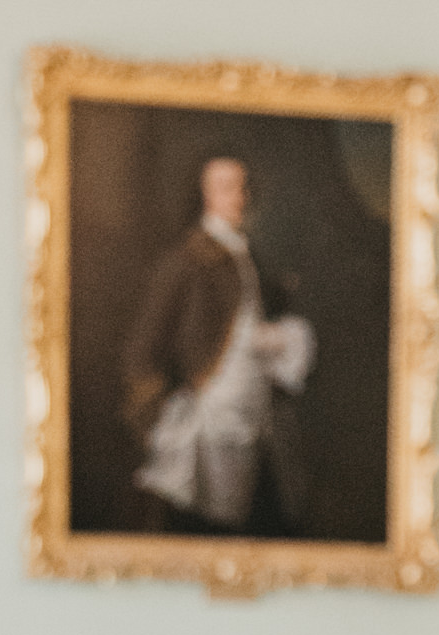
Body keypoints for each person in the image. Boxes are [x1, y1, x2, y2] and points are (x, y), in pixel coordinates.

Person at [125, 150, 314, 529]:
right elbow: (144, 351)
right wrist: (152, 420)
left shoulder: (250, 258)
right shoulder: (185, 262)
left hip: (255, 413)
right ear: (205, 196)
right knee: (204, 523)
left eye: (243, 188)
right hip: (207, 419)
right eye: (227, 188)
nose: (239, 198)